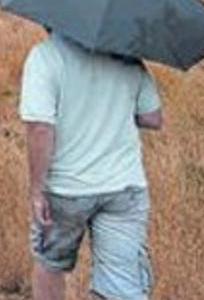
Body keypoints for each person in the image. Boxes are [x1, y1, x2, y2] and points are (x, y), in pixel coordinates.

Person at [20, 31, 164, 300]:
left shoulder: (45, 56)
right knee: (120, 284)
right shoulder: (128, 57)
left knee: (51, 266)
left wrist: (37, 190)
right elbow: (152, 118)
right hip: (125, 188)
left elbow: (40, 128)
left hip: (65, 190)